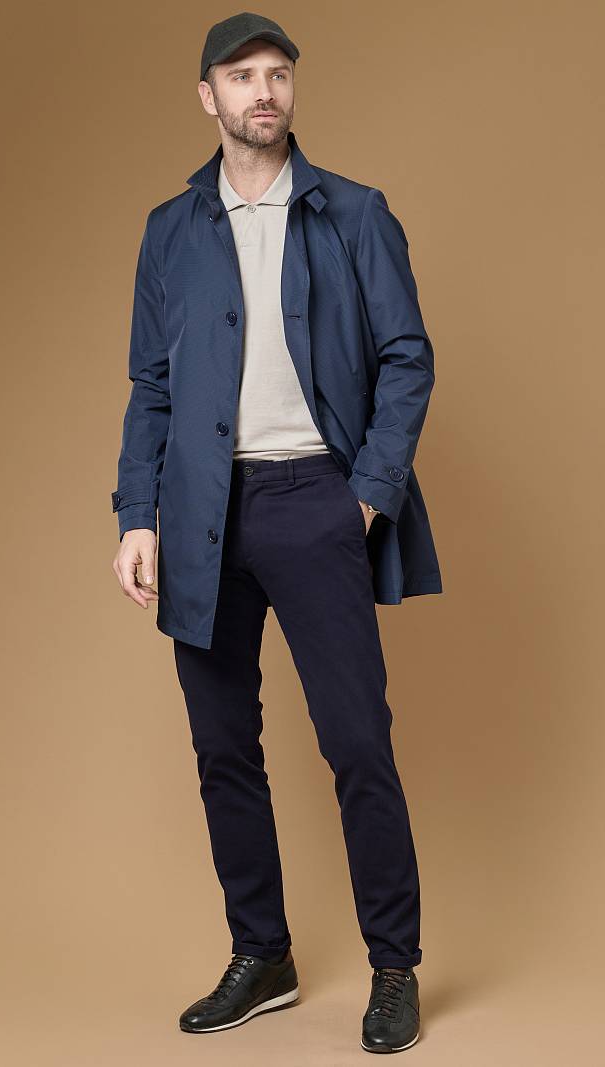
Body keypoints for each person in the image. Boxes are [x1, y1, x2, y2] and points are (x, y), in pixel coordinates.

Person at [111, 11, 442, 1054]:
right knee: (222, 748)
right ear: (207, 96)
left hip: (314, 499)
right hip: (200, 513)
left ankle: (394, 965)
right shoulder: (171, 229)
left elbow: (407, 356)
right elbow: (151, 385)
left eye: (277, 74)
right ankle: (263, 953)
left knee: (356, 741)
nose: (263, 91)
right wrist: (135, 514)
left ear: (291, 91)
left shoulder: (354, 213)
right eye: (241, 75)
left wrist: (366, 492)